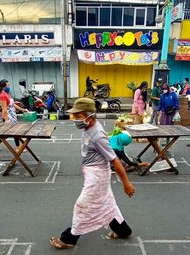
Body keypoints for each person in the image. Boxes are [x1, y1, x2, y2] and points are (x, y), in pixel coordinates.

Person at [50, 98, 135, 249]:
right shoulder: (88, 127)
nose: (75, 119)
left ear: (89, 116)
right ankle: (123, 230)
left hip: (97, 177)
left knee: (82, 205)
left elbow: (115, 160)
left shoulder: (98, 136)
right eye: (74, 115)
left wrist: (126, 184)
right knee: (108, 204)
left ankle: (69, 238)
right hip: (92, 172)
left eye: (78, 116)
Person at [0, 79, 28, 151]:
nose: (9, 87)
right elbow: (4, 108)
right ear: (3, 86)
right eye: (7, 85)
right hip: (8, 116)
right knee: (15, 132)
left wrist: (22, 110)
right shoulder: (2, 95)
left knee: (10, 133)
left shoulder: (7, 94)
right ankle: (18, 148)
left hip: (13, 114)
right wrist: (6, 119)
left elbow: (13, 104)